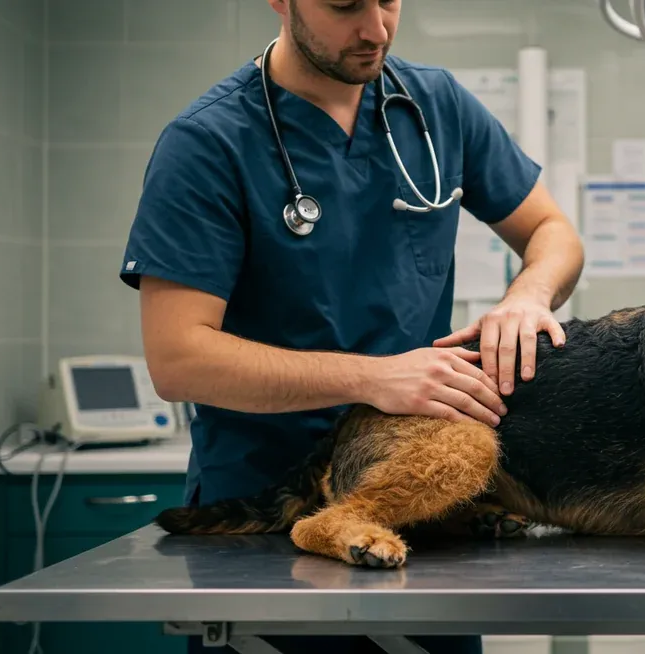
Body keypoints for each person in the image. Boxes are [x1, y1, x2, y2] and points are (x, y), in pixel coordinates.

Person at [117, 0, 584, 652]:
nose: (376, 29)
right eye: (344, 5)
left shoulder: (436, 108)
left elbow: (553, 232)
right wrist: (374, 378)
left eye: (389, 0)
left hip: (416, 512)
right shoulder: (209, 142)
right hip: (270, 523)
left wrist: (528, 297)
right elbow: (178, 359)